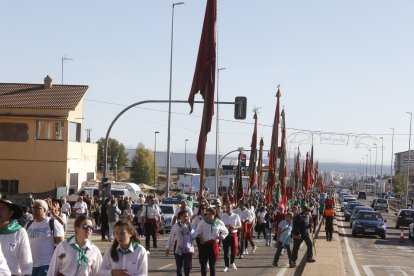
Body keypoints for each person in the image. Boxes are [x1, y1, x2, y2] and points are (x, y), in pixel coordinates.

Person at [26, 199, 64, 276]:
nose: (34, 210)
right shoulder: (28, 224)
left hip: (46, 264)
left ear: (45, 210)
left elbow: (61, 245)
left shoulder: (52, 223)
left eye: (37, 207)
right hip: (30, 264)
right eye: (33, 207)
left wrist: (60, 265)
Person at [0, 198, 33, 275]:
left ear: (11, 213)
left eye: (2, 208)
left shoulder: (19, 232)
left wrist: (26, 274)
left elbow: (26, 260)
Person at [193, 207, 228, 276]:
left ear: (214, 214)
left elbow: (225, 232)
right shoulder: (203, 221)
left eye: (210, 214)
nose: (208, 216)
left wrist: (220, 237)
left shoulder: (219, 222)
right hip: (204, 245)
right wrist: (201, 239)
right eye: (207, 214)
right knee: (203, 265)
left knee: (212, 266)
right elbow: (197, 232)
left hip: (213, 245)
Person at [166, 209, 194, 276]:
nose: (186, 218)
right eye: (184, 216)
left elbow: (194, 235)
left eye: (187, 216)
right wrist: (168, 248)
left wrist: (191, 231)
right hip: (178, 247)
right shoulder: (175, 226)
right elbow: (171, 238)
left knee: (187, 266)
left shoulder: (191, 226)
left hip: (188, 248)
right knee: (179, 266)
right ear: (180, 217)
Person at [221, 203, 241, 272]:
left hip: (233, 234)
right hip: (226, 235)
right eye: (226, 208)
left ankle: (232, 262)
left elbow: (240, 226)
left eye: (229, 208)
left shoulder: (236, 216)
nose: (227, 209)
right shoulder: (223, 216)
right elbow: (221, 226)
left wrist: (234, 227)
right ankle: (226, 266)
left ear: (232, 208)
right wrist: (226, 226)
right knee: (226, 252)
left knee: (234, 250)